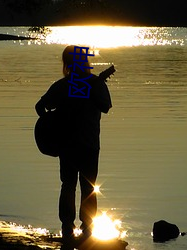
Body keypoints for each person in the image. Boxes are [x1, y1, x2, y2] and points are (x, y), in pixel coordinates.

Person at [35, 45, 112, 244]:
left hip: (69, 145)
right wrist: (52, 123)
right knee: (87, 187)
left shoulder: (63, 85)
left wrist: (52, 122)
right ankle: (85, 230)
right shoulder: (92, 84)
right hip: (88, 145)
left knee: (69, 185)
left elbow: (39, 106)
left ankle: (68, 228)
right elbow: (105, 107)